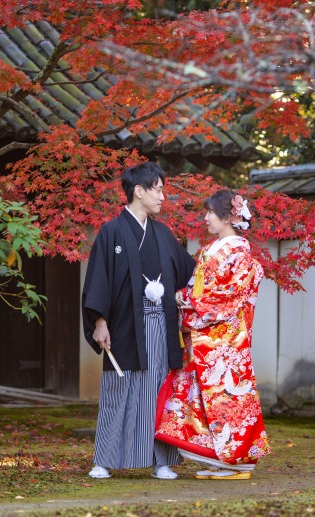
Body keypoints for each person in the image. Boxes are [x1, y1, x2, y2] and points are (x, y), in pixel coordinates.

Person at [81, 162, 195, 480]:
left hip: (160, 324)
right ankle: (103, 459)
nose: (162, 195)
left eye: (162, 188)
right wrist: (99, 322)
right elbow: (98, 281)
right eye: (157, 189)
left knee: (159, 389)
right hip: (124, 324)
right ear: (139, 191)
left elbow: (190, 272)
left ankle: (161, 461)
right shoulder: (112, 232)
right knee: (119, 388)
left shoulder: (162, 233)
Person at [155, 188, 270, 480]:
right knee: (203, 400)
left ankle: (238, 460)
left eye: (209, 212)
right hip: (203, 337)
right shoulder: (210, 250)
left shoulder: (240, 252)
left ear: (227, 216)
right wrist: (180, 297)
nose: (205, 218)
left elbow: (228, 296)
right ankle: (220, 459)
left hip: (226, 342)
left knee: (228, 398)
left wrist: (183, 300)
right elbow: (198, 288)